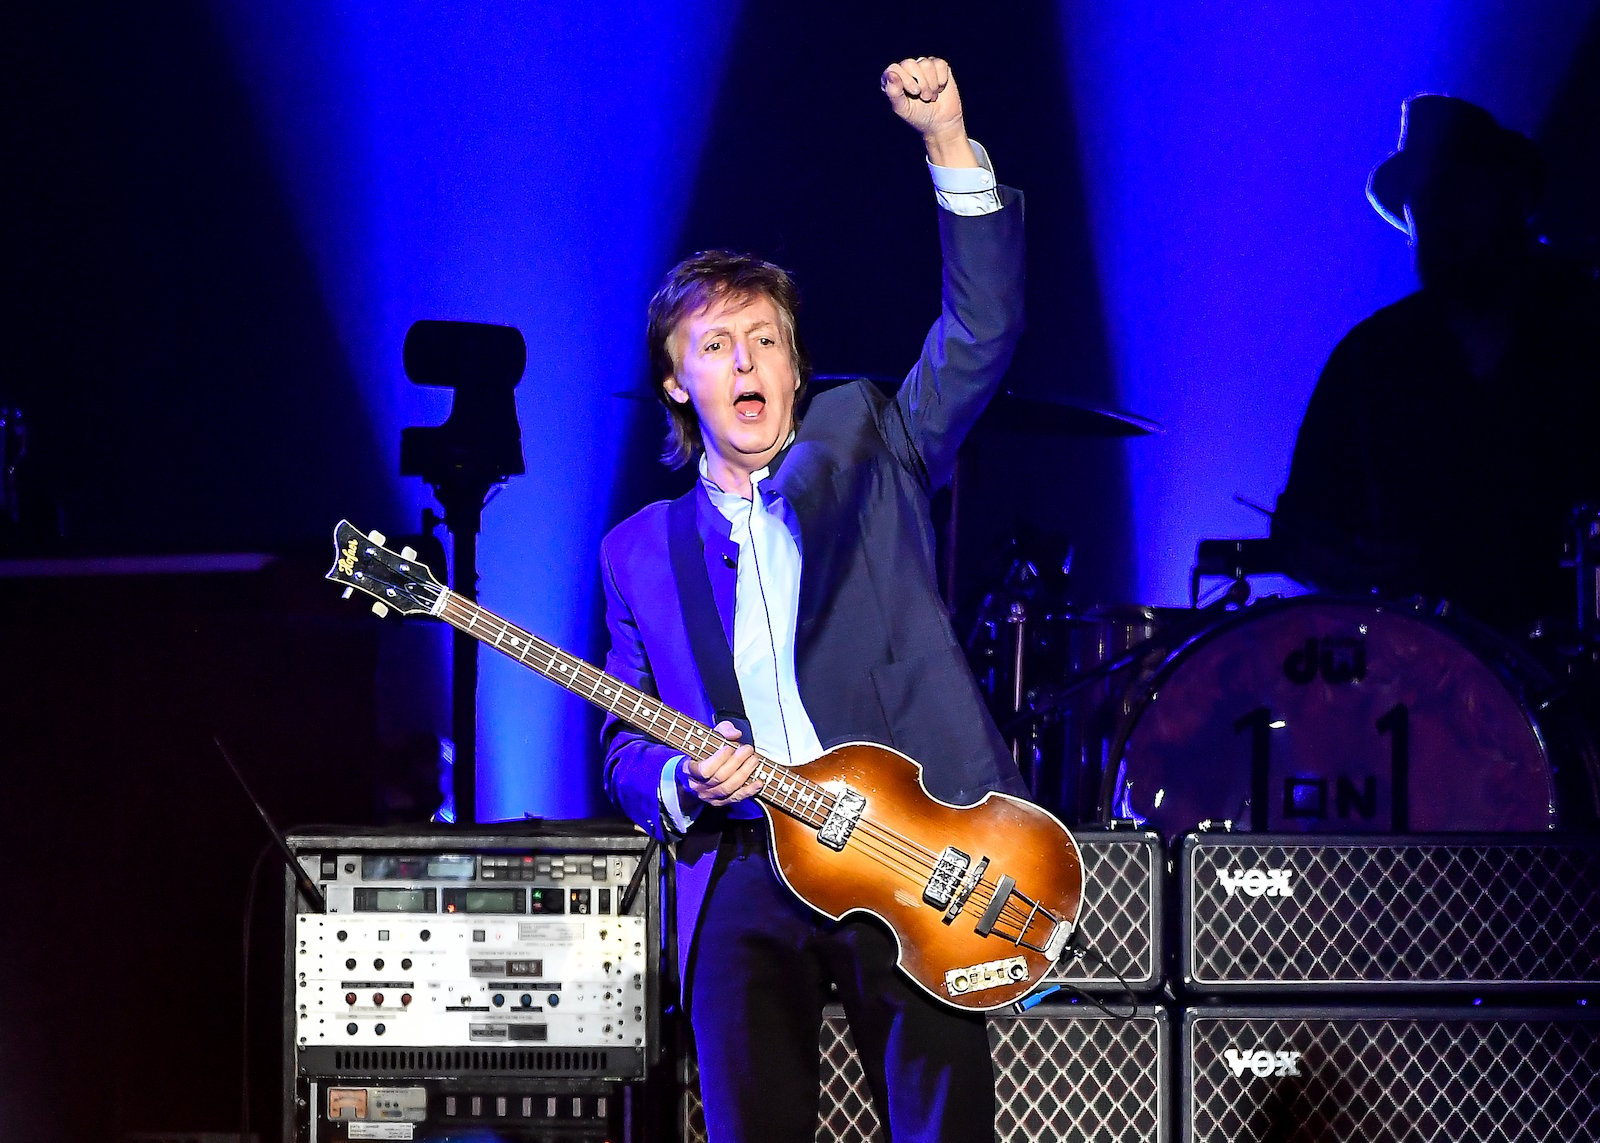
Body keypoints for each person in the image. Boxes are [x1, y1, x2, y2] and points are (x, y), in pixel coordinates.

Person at [598, 57, 1028, 1142]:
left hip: (908, 843)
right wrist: (682, 777)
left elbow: (979, 337)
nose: (744, 362)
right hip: (743, 859)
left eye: (765, 341)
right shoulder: (637, 550)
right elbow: (618, 746)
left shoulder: (872, 440)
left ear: (795, 370)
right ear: (675, 381)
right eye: (715, 346)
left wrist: (947, 142)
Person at [1272, 94, 1600, 636]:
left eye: (1459, 190)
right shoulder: (1369, 358)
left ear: (1511, 196)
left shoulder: (1584, 327)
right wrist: (1345, 563)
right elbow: (1298, 533)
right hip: (1419, 686)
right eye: (1423, 200)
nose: (1439, 214)